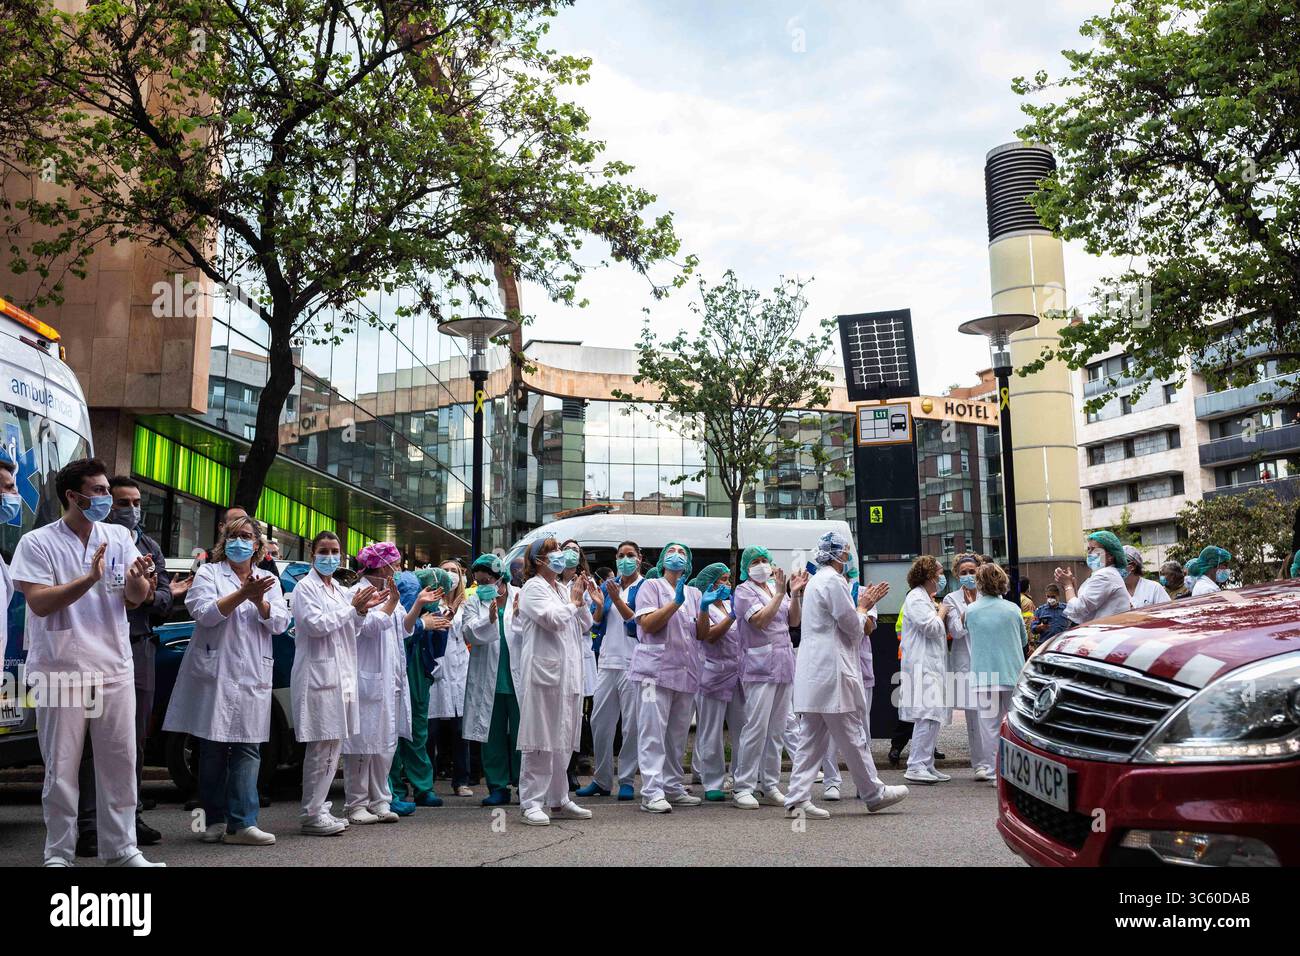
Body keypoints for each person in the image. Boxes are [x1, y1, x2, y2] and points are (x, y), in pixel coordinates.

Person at [12, 458, 161, 866]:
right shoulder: (37, 542)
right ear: (72, 497)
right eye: (98, 492)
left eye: (106, 491)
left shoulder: (117, 535)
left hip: (113, 666)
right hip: (61, 669)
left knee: (119, 761)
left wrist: (138, 578)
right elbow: (40, 603)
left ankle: (123, 850)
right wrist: (89, 579)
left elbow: (133, 597)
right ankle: (58, 853)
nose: (106, 499)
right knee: (61, 767)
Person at [162, 514, 290, 845]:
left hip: (251, 673)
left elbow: (278, 623)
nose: (240, 542)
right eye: (234, 536)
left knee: (249, 748)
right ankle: (210, 820)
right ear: (224, 542)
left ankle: (243, 823)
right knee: (212, 749)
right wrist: (242, 594)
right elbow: (203, 613)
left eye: (247, 536)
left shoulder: (267, 580)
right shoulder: (208, 573)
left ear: (258, 545)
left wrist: (258, 598)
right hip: (214, 673)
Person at [76, 474, 186, 857]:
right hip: (91, 648)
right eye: (121, 502)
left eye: (135, 502)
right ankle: (89, 824)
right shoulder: (90, 541)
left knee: (131, 740)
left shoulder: (148, 546)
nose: (129, 509)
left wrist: (142, 594)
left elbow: (163, 598)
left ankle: (129, 817)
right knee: (90, 740)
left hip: (137, 648)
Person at [784, 530, 908, 818]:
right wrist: (865, 606)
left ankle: (797, 798)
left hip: (816, 671)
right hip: (832, 671)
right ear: (839, 554)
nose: (848, 555)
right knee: (852, 734)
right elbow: (853, 626)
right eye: (845, 551)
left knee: (811, 739)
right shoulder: (834, 582)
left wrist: (861, 608)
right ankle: (874, 793)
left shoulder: (817, 582)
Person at [290, 531, 385, 836]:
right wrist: (351, 609)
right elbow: (315, 626)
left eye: (334, 551)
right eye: (324, 550)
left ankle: (319, 807)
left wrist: (359, 610)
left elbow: (353, 630)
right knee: (321, 746)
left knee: (333, 745)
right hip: (319, 676)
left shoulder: (338, 590)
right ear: (312, 553)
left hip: (340, 676)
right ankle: (311, 812)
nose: (329, 556)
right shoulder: (306, 588)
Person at [515, 537, 599, 825]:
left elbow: (585, 624)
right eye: (552, 552)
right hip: (543, 675)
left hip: (569, 675)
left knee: (563, 739)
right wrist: (574, 603)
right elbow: (551, 620)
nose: (559, 556)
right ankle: (531, 802)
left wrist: (585, 600)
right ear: (538, 559)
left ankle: (559, 799)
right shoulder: (532, 588)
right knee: (540, 739)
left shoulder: (563, 588)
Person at [342, 543, 421, 823]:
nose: (397, 569)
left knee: (385, 744)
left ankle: (380, 800)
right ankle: (356, 804)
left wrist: (416, 605)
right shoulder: (357, 592)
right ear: (380, 565)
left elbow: (403, 629)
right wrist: (391, 602)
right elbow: (371, 626)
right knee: (362, 744)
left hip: (390, 680)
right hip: (367, 679)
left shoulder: (390, 593)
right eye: (394, 564)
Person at [629, 541, 707, 814]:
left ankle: (673, 786)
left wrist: (706, 608)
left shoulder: (694, 593)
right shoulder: (650, 587)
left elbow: (702, 634)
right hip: (654, 673)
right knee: (653, 732)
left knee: (677, 735)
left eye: (682, 553)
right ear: (662, 560)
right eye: (671, 552)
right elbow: (648, 624)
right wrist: (674, 603)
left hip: (685, 672)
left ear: (688, 562)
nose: (677, 556)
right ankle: (651, 792)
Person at [730, 546, 804, 810]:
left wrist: (793, 594)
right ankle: (743, 786)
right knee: (756, 728)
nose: (761, 565)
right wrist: (782, 593)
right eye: (756, 561)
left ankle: (770, 784)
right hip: (759, 667)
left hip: (783, 665)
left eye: (765, 560)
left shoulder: (776, 589)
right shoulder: (743, 591)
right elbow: (759, 620)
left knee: (777, 730)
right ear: (746, 567)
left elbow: (794, 621)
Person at [579, 540, 643, 800]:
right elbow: (596, 624)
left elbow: (640, 622)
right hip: (606, 661)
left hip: (633, 663)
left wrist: (616, 599)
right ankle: (602, 780)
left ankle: (626, 779)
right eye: (620, 555)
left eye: (630, 555)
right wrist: (597, 604)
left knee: (631, 725)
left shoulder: (646, 587)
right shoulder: (608, 587)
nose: (625, 559)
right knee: (599, 722)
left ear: (639, 559)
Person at [460, 554, 522, 807]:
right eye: (478, 581)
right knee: (492, 735)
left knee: (523, 735)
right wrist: (489, 619)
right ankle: (497, 786)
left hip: (518, 676)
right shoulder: (474, 602)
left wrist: (517, 616)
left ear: (500, 578)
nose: (483, 585)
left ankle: (524, 784)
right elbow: (467, 631)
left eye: (487, 580)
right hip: (490, 679)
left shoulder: (520, 594)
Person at [388, 568, 452, 808]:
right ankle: (394, 787)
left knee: (417, 729)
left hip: (418, 671)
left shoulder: (431, 608)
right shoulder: (407, 595)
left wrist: (439, 624)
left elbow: (437, 645)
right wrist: (422, 624)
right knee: (393, 730)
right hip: (399, 666)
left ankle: (423, 787)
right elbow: (400, 631)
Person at [965, 563, 1026, 786]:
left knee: (988, 726)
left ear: (979, 583)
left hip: (984, 676)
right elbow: (1023, 641)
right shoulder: (1013, 609)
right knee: (1013, 723)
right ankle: (1014, 769)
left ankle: (993, 771)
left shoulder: (971, 611)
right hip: (1012, 673)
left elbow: (970, 634)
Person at [689, 562, 742, 802]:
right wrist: (731, 617)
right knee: (711, 731)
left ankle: (742, 778)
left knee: (743, 729)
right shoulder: (704, 607)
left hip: (738, 673)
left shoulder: (733, 604)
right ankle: (712, 781)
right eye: (722, 579)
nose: (727, 583)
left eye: (729, 579)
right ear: (710, 583)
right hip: (713, 674)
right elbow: (709, 636)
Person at [899, 555, 951, 785]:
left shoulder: (925, 598)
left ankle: (927, 763)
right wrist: (942, 612)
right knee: (926, 715)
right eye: (939, 574)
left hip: (930, 665)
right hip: (922, 666)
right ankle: (916, 764)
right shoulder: (916, 599)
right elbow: (931, 628)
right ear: (929, 575)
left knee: (933, 715)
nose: (941, 578)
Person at [428, 559, 472, 797]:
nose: (450, 575)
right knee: (430, 732)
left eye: (454, 571)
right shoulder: (429, 601)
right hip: (436, 671)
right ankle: (426, 783)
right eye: (444, 570)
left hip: (459, 672)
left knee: (459, 731)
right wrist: (449, 613)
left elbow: (472, 632)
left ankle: (461, 780)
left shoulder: (468, 603)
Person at [941, 554, 986, 776]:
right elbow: (956, 631)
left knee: (991, 713)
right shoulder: (950, 599)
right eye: (964, 572)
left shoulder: (990, 594)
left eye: (972, 571)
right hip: (966, 661)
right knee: (973, 716)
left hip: (988, 659)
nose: (969, 576)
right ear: (957, 576)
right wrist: (969, 609)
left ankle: (993, 761)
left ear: (980, 570)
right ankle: (979, 764)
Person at [557, 538, 596, 790]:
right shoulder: (550, 583)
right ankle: (557, 771)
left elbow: (588, 621)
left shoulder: (586, 583)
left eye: (574, 550)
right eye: (566, 550)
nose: (570, 554)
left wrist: (583, 601)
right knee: (557, 715)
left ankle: (570, 769)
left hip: (579, 653)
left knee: (575, 716)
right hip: (556, 653)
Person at [1053, 531, 1132, 626]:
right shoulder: (1104, 574)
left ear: (1110, 556)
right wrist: (1071, 586)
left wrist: (1067, 585)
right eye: (1088, 549)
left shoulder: (1105, 575)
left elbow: (1078, 609)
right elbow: (1086, 606)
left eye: (1093, 549)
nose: (1089, 553)